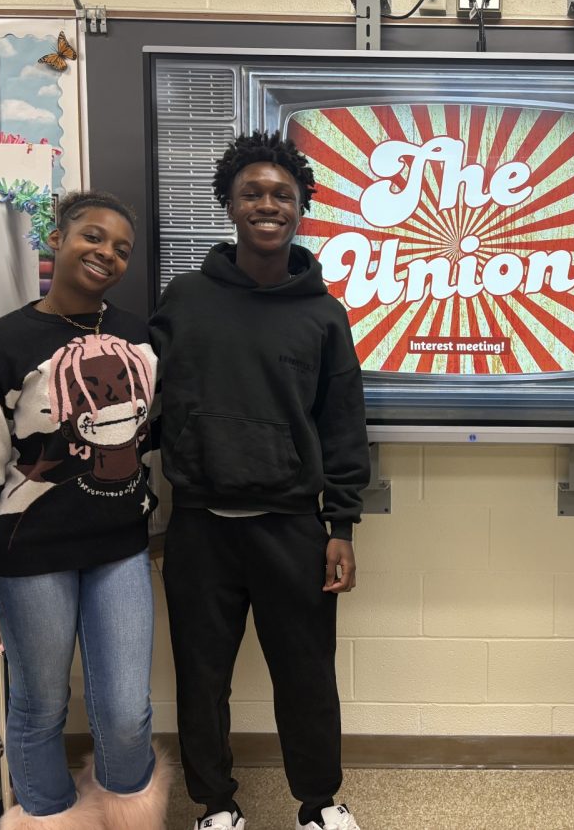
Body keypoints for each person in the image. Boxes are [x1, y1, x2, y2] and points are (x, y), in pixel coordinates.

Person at [150, 130, 370, 830]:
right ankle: (217, 807)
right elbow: (148, 406)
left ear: (302, 206)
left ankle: (319, 803)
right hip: (200, 527)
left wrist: (340, 525)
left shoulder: (323, 313)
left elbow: (342, 424)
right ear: (229, 204)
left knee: (307, 678)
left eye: (282, 194)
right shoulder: (183, 300)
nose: (267, 204)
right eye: (252, 193)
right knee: (202, 678)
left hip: (293, 527)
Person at [0, 191, 170, 829]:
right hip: (27, 561)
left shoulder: (138, 335)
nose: (107, 254)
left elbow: (145, 440)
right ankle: (47, 819)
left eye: (122, 249)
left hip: (119, 552)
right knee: (41, 705)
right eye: (93, 237)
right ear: (59, 238)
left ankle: (128, 817)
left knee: (127, 713)